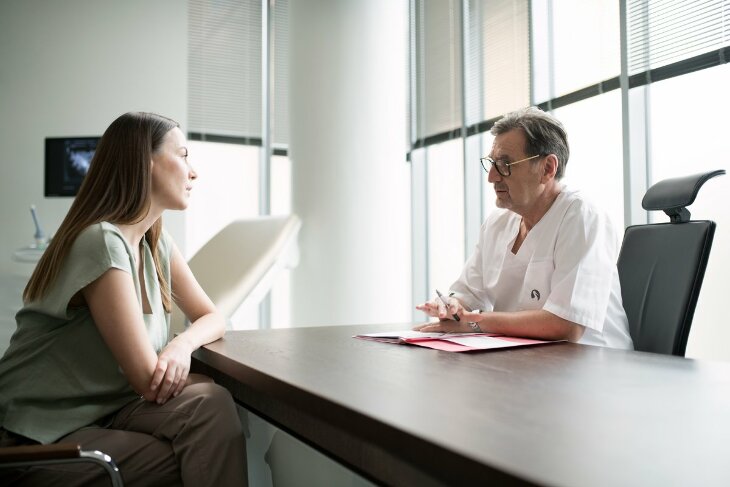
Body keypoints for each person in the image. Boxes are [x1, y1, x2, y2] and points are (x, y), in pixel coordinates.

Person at [0, 112, 247, 486]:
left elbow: (212, 316)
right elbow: (149, 381)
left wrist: (181, 345)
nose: (193, 172)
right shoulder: (101, 241)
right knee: (190, 448)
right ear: (145, 164)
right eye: (182, 155)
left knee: (210, 404)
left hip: (103, 411)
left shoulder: (155, 242)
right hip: (34, 435)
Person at [415, 107, 633, 349]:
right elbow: (467, 294)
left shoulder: (582, 216)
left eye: (506, 164)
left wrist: (475, 323)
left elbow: (566, 325)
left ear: (547, 169)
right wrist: (452, 306)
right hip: (526, 362)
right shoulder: (497, 224)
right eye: (492, 163)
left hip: (594, 367)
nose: (492, 177)